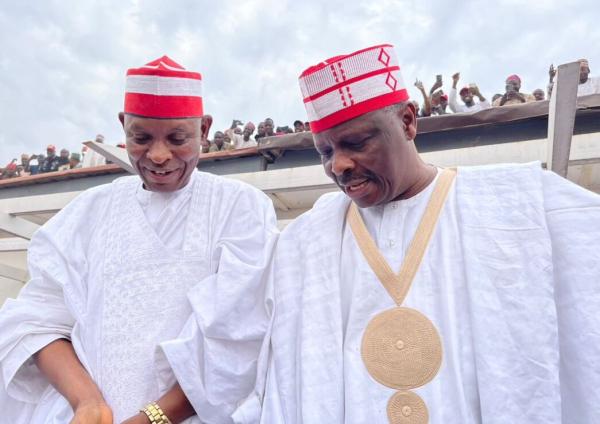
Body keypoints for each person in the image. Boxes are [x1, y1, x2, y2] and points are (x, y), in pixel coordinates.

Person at [260, 43, 600, 423]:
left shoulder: (519, 203)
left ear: (408, 121)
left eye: (356, 143)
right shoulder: (306, 242)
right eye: (324, 152)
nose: (338, 165)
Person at [0, 56, 277, 424]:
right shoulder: (86, 213)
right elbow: (35, 322)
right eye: (141, 138)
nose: (159, 155)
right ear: (123, 126)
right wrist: (87, 403)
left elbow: (240, 339)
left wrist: (153, 418)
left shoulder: (240, 207)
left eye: (178, 138)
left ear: (204, 129)